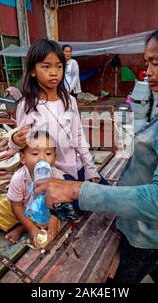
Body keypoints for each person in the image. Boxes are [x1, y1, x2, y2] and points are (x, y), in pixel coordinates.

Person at [35, 21, 158, 283]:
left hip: (146, 237)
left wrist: (77, 190)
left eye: (156, 63)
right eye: (147, 62)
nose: (147, 71)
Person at [9, 39, 107, 196]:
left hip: (77, 167)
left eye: (59, 66)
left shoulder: (70, 101)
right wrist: (14, 140)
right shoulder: (27, 106)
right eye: (46, 66)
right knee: (78, 206)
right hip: (51, 174)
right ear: (33, 71)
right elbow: (21, 146)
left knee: (105, 195)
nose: (54, 72)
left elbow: (78, 136)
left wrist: (90, 169)